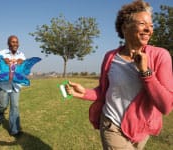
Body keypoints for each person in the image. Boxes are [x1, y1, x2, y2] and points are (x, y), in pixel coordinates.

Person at [66, 0, 173, 149]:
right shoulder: (110, 57)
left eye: (151, 25)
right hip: (111, 123)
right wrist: (85, 93)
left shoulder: (161, 56)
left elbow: (166, 106)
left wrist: (146, 72)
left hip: (142, 129)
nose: (149, 29)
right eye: (142, 24)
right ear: (125, 27)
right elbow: (106, 92)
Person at [0, 35, 26, 137]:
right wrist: (2, 62)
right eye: (13, 42)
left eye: (16, 42)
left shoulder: (21, 55)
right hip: (2, 84)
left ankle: (14, 130)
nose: (15, 44)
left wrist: (22, 63)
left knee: (15, 106)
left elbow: (24, 71)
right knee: (3, 105)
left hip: (15, 85)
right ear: (8, 44)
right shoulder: (1, 54)